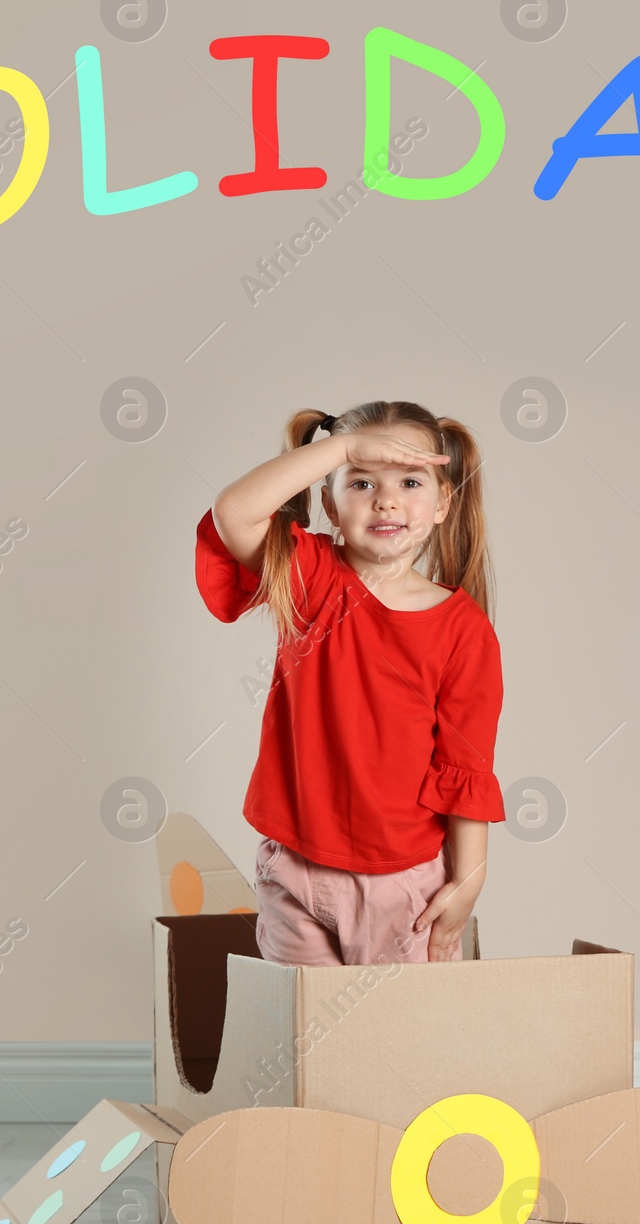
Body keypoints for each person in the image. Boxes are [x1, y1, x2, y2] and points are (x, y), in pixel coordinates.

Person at [194, 400, 505, 966]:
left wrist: (469, 881)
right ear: (330, 507)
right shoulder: (309, 577)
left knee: (395, 1043)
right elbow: (233, 513)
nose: (385, 499)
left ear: (442, 504)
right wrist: (338, 448)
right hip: (294, 865)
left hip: (403, 881)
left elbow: (466, 766)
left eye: (409, 481)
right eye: (361, 482)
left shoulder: (463, 629)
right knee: (300, 1039)